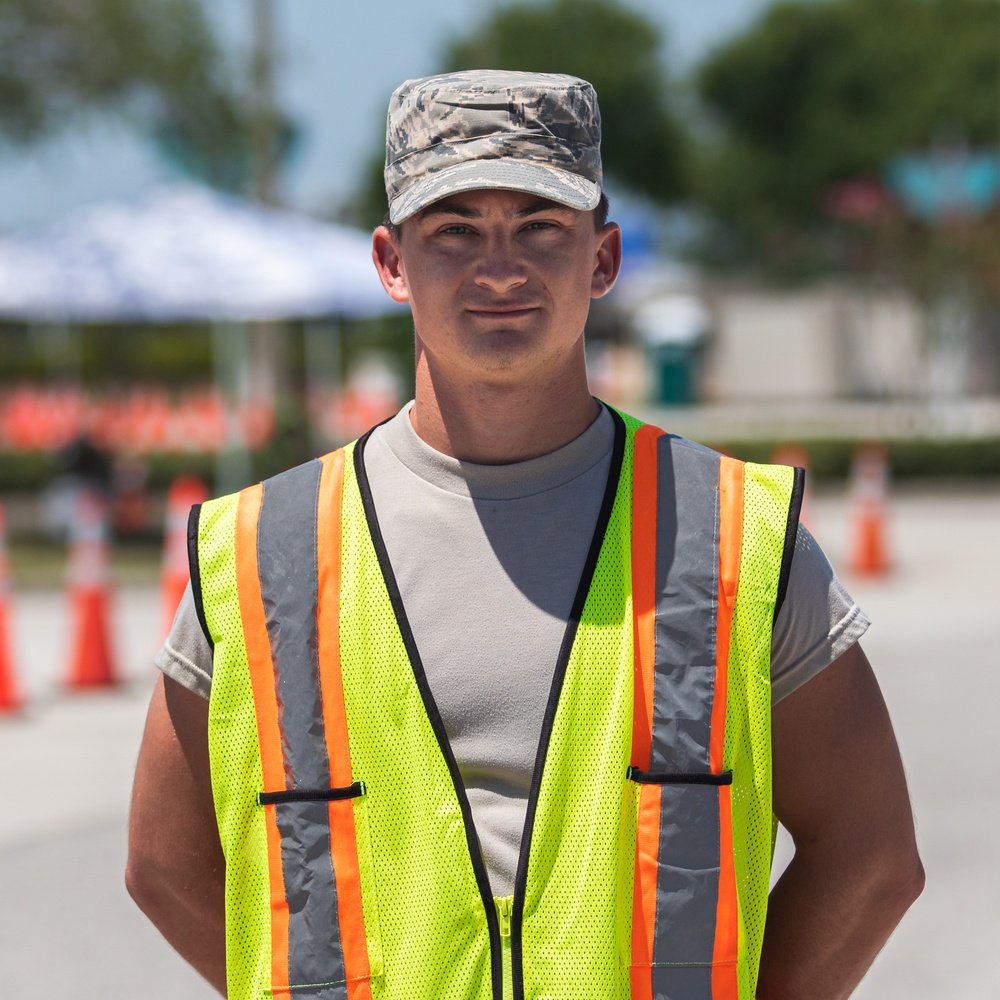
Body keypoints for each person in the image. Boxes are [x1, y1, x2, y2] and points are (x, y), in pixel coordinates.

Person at [126, 70, 923, 1000]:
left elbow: (872, 859)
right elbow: (164, 865)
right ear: (391, 262)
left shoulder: (734, 534)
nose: (498, 267)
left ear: (603, 257)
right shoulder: (266, 550)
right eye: (453, 229)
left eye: (540, 226)